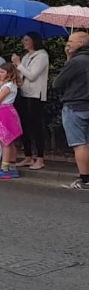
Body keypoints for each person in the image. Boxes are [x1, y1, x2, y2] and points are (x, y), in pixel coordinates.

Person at [54, 31, 89, 190]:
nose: (68, 44)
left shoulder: (76, 62)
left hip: (75, 105)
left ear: (81, 43)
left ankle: (85, 179)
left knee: (79, 144)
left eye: (71, 41)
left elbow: (57, 83)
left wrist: (68, 59)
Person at [13, 32, 49, 171]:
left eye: (27, 39)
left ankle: (40, 158)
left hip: (35, 95)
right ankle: (28, 155)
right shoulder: (26, 56)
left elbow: (32, 75)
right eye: (24, 39)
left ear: (34, 41)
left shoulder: (42, 56)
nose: (24, 42)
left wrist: (19, 64)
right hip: (24, 93)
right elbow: (23, 75)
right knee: (24, 126)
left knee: (36, 126)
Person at [0, 62, 24, 181]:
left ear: (9, 73)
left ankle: (4, 169)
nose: (0, 74)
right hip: (7, 112)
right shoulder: (8, 85)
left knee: (5, 142)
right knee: (10, 141)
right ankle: (12, 167)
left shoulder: (8, 86)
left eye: (2, 72)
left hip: (4, 113)